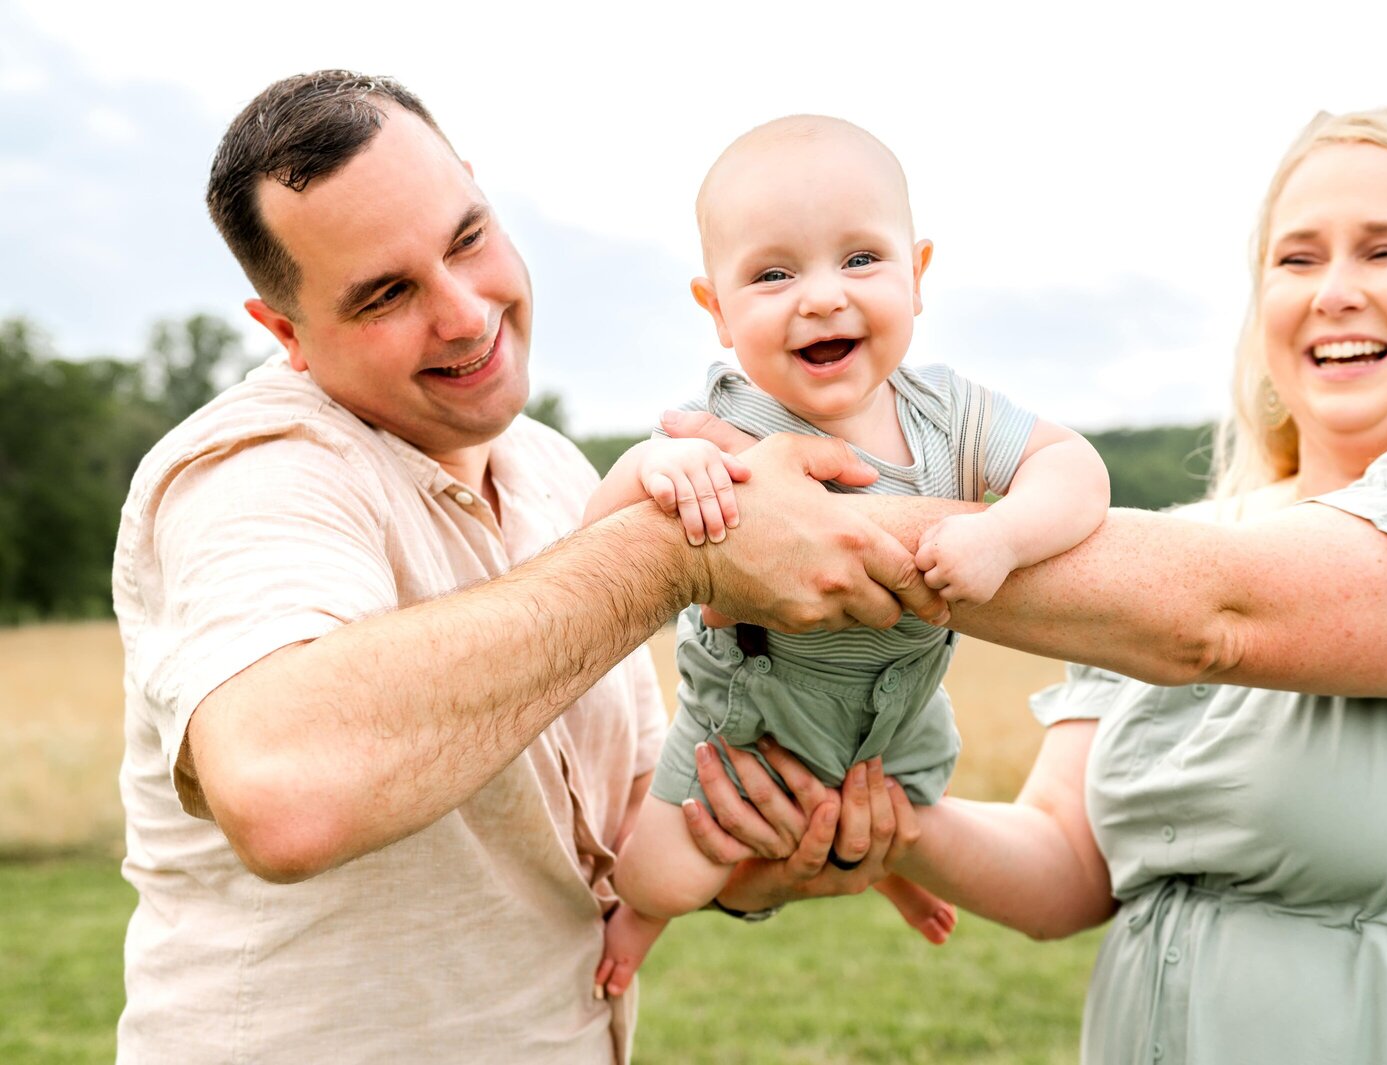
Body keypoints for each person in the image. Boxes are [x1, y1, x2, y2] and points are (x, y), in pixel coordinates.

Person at [674, 106, 1387, 1064]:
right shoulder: (1169, 547)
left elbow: (1219, 616)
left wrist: (776, 519)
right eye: (1297, 259)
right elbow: (1068, 866)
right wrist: (877, 818)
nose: (1334, 292)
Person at [112, 71, 948, 1065]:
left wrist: (772, 847)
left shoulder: (550, 467)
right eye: (386, 294)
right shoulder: (255, 475)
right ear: (285, 333)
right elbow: (288, 796)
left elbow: (635, 811)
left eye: (467, 238)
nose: (465, 315)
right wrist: (670, 556)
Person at [582, 115, 1111, 997]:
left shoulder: (953, 415)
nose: (821, 297)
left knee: (901, 819)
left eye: (861, 260)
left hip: (897, 731)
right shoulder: (727, 426)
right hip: (745, 736)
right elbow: (596, 541)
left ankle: (892, 867)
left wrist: (1001, 534)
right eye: (774, 273)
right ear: (715, 309)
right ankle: (632, 927)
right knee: (663, 876)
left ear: (920, 274)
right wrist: (653, 467)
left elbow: (1076, 470)